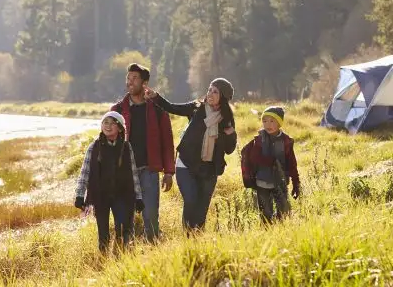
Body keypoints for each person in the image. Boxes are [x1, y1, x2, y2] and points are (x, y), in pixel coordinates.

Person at [144, 78, 237, 232]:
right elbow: (172, 107)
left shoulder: (227, 118)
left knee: (201, 210)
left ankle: (196, 242)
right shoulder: (196, 108)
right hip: (186, 164)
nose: (210, 94)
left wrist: (230, 135)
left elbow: (229, 150)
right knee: (191, 200)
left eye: (215, 91)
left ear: (224, 97)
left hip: (209, 169)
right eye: (209, 89)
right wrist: (156, 97)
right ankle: (188, 237)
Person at [111, 63, 175, 242]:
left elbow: (167, 142)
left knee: (151, 215)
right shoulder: (117, 110)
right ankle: (124, 252)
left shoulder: (157, 108)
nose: (130, 82)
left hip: (149, 170)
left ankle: (153, 248)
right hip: (125, 171)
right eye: (128, 78)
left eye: (135, 78)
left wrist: (169, 172)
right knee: (124, 216)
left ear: (145, 83)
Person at [74, 111, 144, 252]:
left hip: (122, 195)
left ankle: (121, 258)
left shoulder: (126, 147)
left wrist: (138, 197)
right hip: (100, 196)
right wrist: (79, 195)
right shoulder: (94, 147)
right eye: (105, 122)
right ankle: (104, 260)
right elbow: (85, 172)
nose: (108, 126)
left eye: (112, 123)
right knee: (103, 234)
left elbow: (133, 173)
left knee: (123, 230)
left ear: (120, 128)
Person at [243, 106, 301, 224]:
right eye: (265, 121)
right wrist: (271, 162)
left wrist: (296, 183)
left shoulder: (286, 141)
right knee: (266, 214)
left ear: (280, 123)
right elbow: (254, 158)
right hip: (262, 182)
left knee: (283, 212)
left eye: (272, 121)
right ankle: (267, 232)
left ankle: (280, 232)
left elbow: (292, 164)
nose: (267, 124)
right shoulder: (259, 140)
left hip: (280, 182)